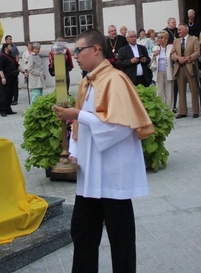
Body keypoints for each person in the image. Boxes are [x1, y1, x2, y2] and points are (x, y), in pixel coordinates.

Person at [53, 29, 154, 273]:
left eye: (79, 50)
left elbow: (120, 126)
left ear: (96, 50)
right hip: (90, 173)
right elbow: (80, 126)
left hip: (112, 173)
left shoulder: (115, 80)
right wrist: (74, 149)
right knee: (83, 232)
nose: (75, 56)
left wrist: (78, 115)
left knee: (121, 239)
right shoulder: (88, 82)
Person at [171, 23, 201, 118]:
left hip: (190, 66)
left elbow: (197, 52)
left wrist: (187, 58)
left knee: (193, 89)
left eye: (180, 29)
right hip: (179, 67)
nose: (178, 31)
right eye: (178, 29)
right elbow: (172, 53)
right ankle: (182, 111)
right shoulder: (176, 41)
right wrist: (177, 58)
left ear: (186, 30)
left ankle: (195, 110)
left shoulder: (194, 39)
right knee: (181, 89)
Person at [150, 31, 174, 110]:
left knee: (169, 91)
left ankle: (169, 109)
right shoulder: (155, 48)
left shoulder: (170, 47)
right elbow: (150, 60)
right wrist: (154, 55)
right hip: (159, 72)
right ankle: (161, 109)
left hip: (168, 72)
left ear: (166, 39)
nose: (159, 39)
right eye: (158, 37)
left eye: (161, 37)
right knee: (159, 91)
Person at [0, 43, 19, 117]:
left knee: (10, 94)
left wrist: (24, 72)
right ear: (5, 48)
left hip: (12, 78)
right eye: (10, 47)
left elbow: (17, 65)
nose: (11, 48)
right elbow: (0, 68)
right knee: (4, 94)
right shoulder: (2, 57)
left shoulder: (11, 57)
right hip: (6, 78)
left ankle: (8, 109)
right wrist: (3, 77)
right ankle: (2, 110)